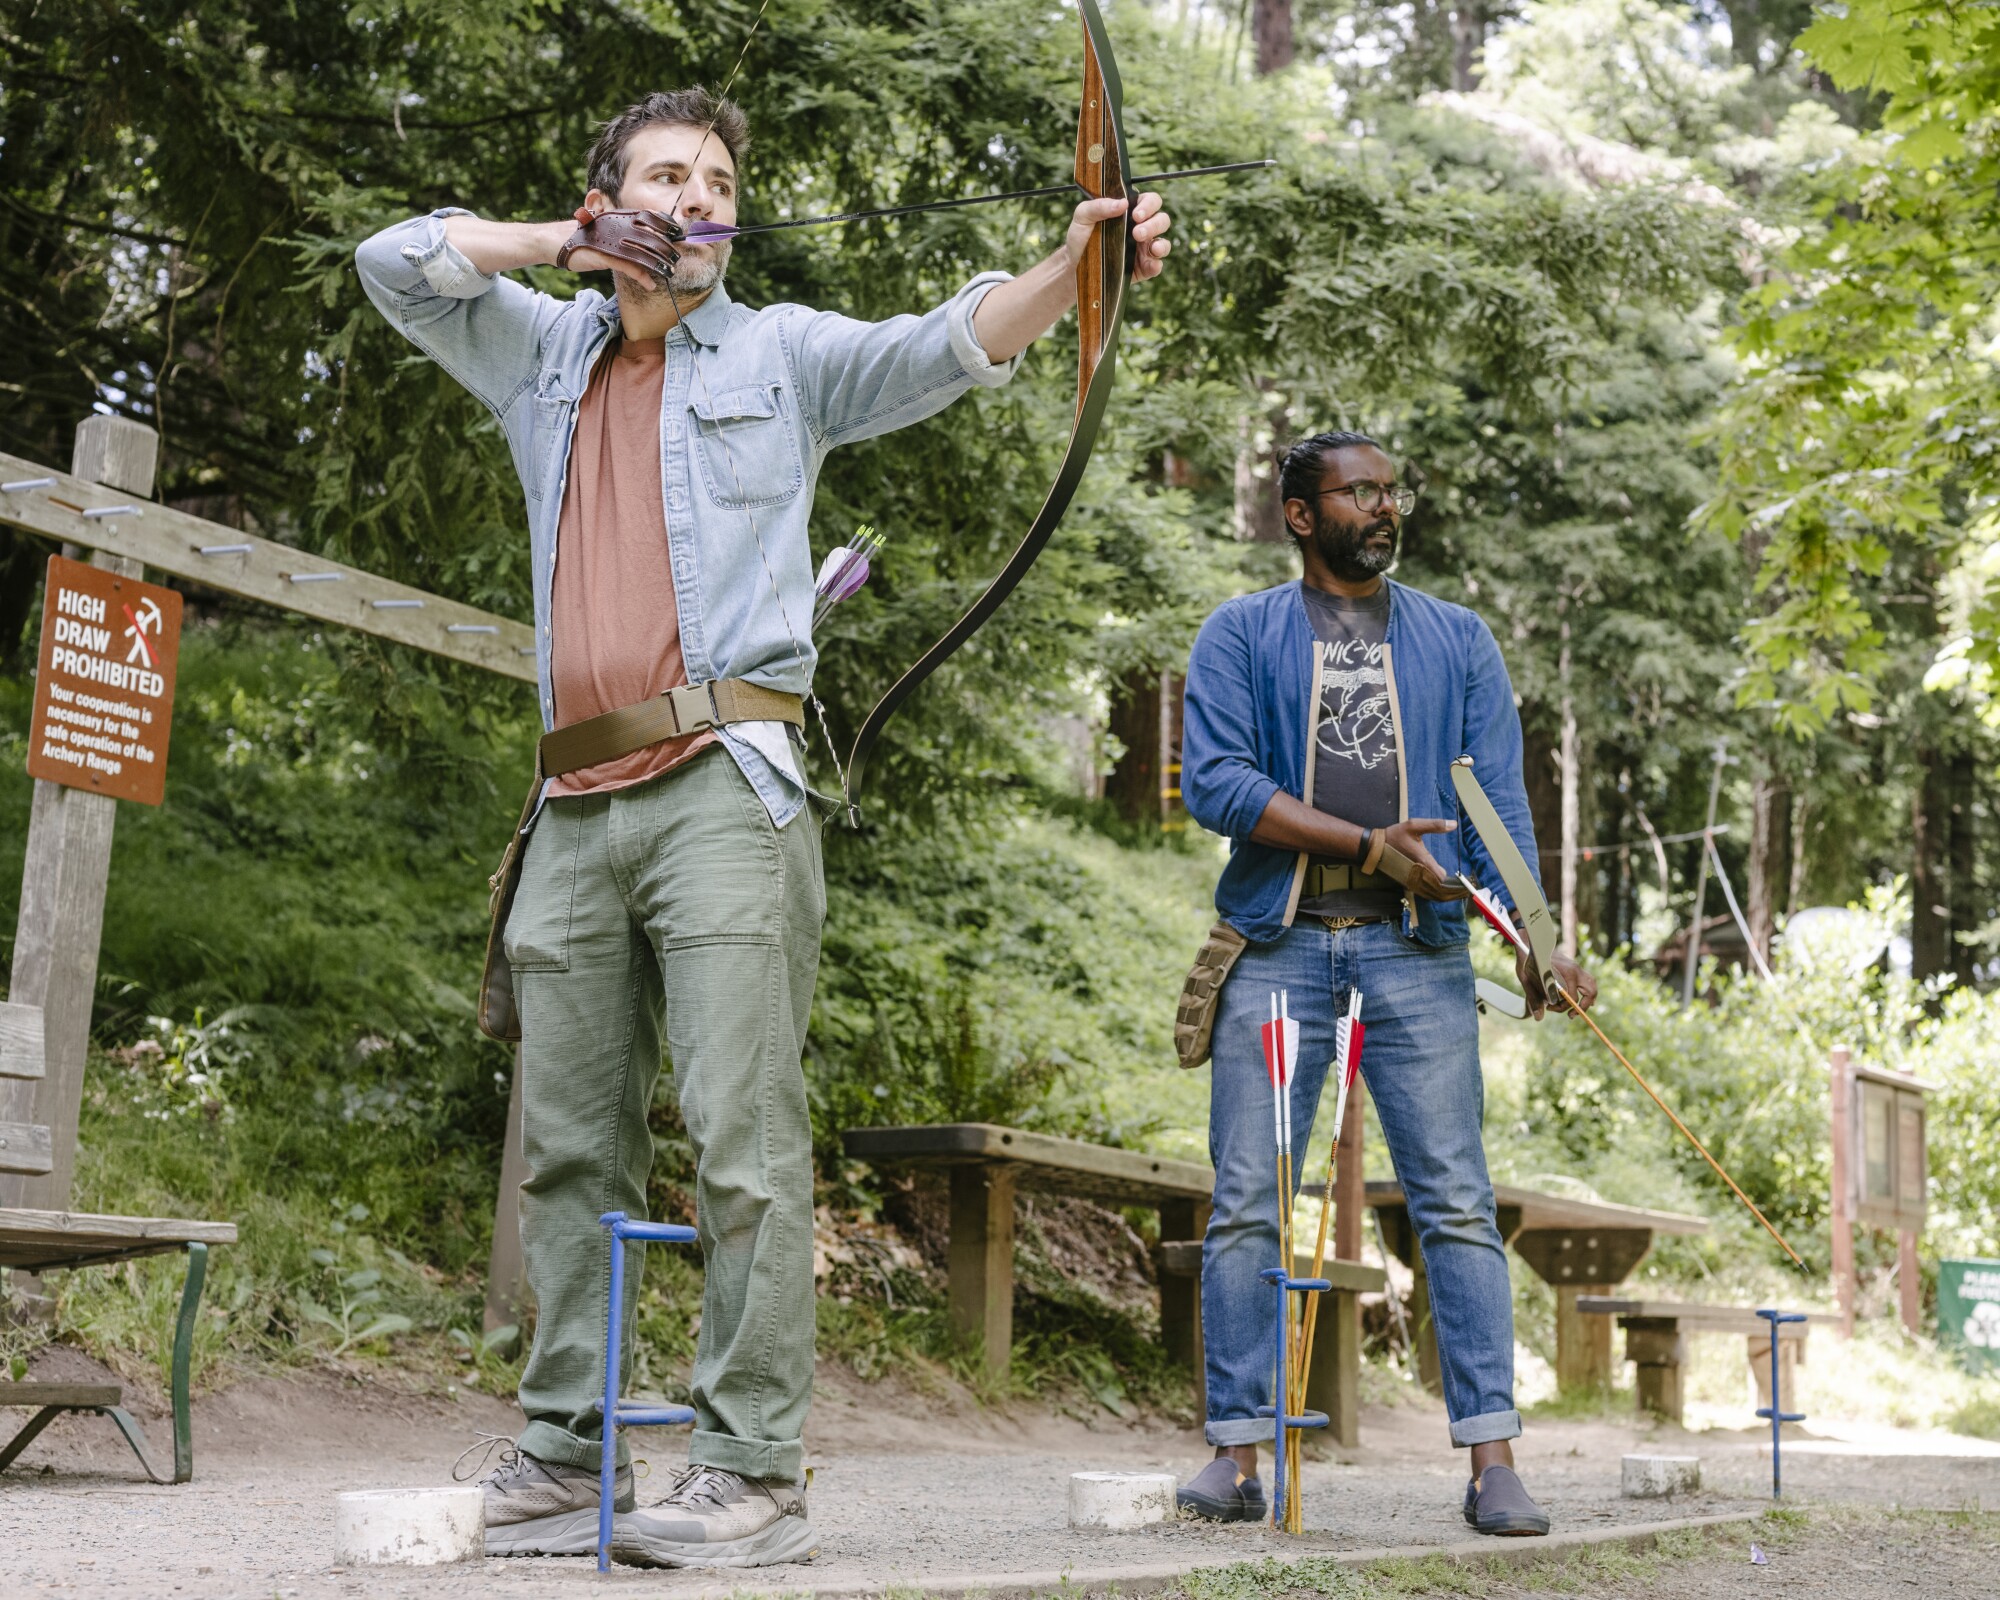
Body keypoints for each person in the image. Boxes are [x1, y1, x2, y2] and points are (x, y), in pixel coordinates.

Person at [355, 89, 1173, 1570]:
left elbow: (945, 344)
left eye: (719, 180)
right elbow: (393, 261)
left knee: (742, 1138)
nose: (698, 197)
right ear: (606, 199)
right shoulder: (540, 350)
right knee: (563, 1151)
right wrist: (564, 245)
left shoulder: (782, 354)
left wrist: (1077, 270)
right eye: (666, 175)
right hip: (569, 803)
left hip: (727, 785)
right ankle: (569, 1447)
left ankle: (752, 1473)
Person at [1172, 429, 1598, 1536]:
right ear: (1300, 517)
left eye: (1388, 488)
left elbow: (1496, 801)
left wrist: (1534, 933)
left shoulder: (1456, 639)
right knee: (1245, 1201)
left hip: (1416, 954)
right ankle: (1235, 1452)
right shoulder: (1238, 633)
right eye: (1354, 492)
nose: (1381, 505)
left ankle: (1490, 1459)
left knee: (1455, 1200)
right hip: (1277, 943)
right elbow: (1216, 785)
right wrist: (1366, 846)